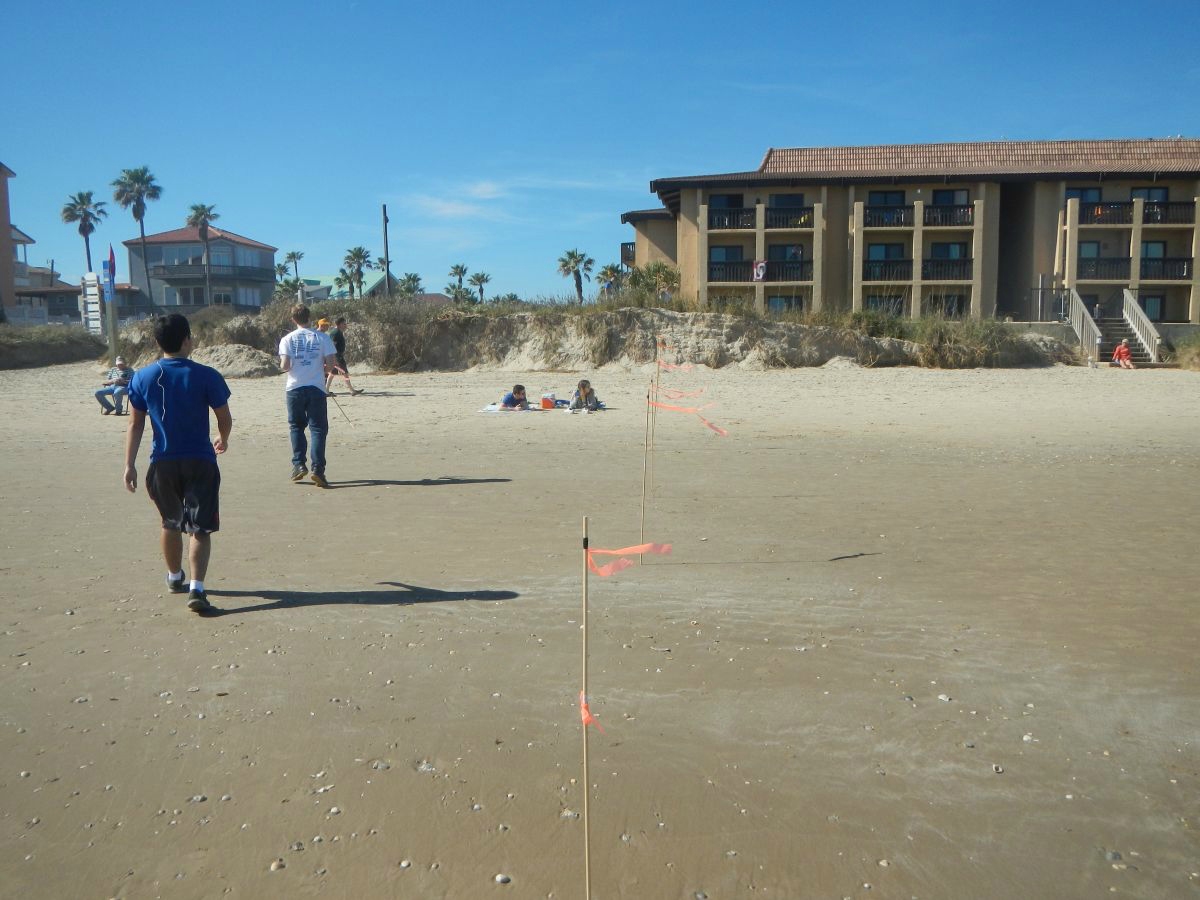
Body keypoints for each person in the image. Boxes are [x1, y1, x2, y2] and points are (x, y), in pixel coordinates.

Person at [124, 314, 232, 614]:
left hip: (163, 461)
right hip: (200, 459)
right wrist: (223, 438)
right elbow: (224, 416)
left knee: (170, 522)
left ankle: (174, 577)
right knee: (201, 527)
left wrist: (129, 464)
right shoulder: (206, 375)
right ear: (187, 339)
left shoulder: (142, 377)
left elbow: (135, 425)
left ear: (158, 342)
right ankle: (196, 588)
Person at [279, 303, 338, 487]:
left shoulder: (287, 339)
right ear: (309, 317)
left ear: (293, 319)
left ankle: (299, 465)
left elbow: (285, 366)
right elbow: (330, 365)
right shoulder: (322, 338)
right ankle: (318, 469)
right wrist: (319, 367)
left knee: (296, 426)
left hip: (295, 388)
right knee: (318, 429)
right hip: (316, 387)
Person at [322, 316, 363, 396]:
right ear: (340, 324)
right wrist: (335, 358)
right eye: (344, 324)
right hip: (337, 357)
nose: (346, 325)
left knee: (332, 373)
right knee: (345, 373)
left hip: (337, 356)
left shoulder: (338, 332)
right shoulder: (336, 332)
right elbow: (332, 345)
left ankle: (326, 390)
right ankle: (352, 390)